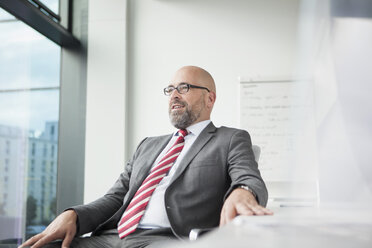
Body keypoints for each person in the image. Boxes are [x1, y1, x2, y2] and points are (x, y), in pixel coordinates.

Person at [20, 66, 273, 248]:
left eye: (184, 88)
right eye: (170, 89)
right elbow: (116, 197)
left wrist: (242, 190)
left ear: (210, 98)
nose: (174, 94)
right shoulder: (148, 145)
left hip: (168, 239)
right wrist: (73, 215)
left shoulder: (230, 138)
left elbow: (248, 177)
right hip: (112, 237)